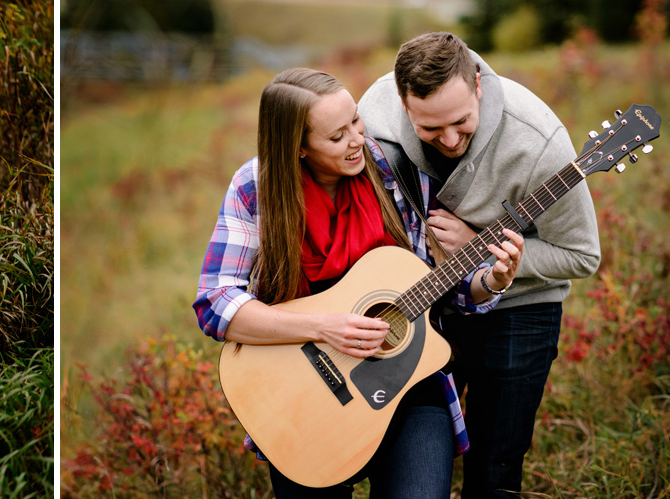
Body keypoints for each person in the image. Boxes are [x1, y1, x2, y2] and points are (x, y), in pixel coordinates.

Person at [193, 68, 526, 497]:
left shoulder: (393, 170)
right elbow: (215, 302)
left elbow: (444, 285)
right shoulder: (256, 187)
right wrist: (322, 327)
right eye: (336, 136)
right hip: (305, 400)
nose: (357, 140)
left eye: (355, 120)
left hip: (409, 389)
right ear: (297, 147)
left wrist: (493, 279)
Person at [357, 32, 602, 498]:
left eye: (461, 121)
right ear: (403, 105)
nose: (449, 140)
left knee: (494, 465)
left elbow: (582, 254)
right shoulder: (373, 115)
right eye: (430, 129)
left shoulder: (539, 143)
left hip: (519, 309)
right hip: (418, 307)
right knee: (401, 458)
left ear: (478, 87)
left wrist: (481, 247)